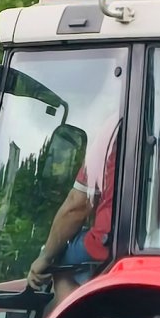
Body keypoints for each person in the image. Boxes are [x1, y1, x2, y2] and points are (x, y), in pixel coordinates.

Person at [27, 118, 119, 299]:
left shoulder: (113, 130)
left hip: (111, 240)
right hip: (158, 242)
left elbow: (77, 206)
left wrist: (46, 257)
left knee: (57, 254)